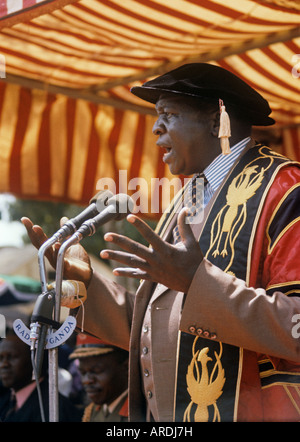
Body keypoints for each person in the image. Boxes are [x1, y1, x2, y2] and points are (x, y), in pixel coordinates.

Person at [22, 63, 300, 422]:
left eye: (168, 114)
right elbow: (153, 330)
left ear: (219, 122)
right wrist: (86, 284)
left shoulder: (284, 189)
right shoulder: (188, 199)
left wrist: (199, 285)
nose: (155, 127)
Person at [0, 328, 83, 422]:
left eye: (12, 357)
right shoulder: (6, 399)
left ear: (36, 359)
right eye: (1, 358)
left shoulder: (55, 411)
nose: (4, 364)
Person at [69, 333, 128, 422]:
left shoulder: (140, 413)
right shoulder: (93, 410)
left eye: (96, 371)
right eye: (83, 372)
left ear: (126, 367)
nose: (86, 381)